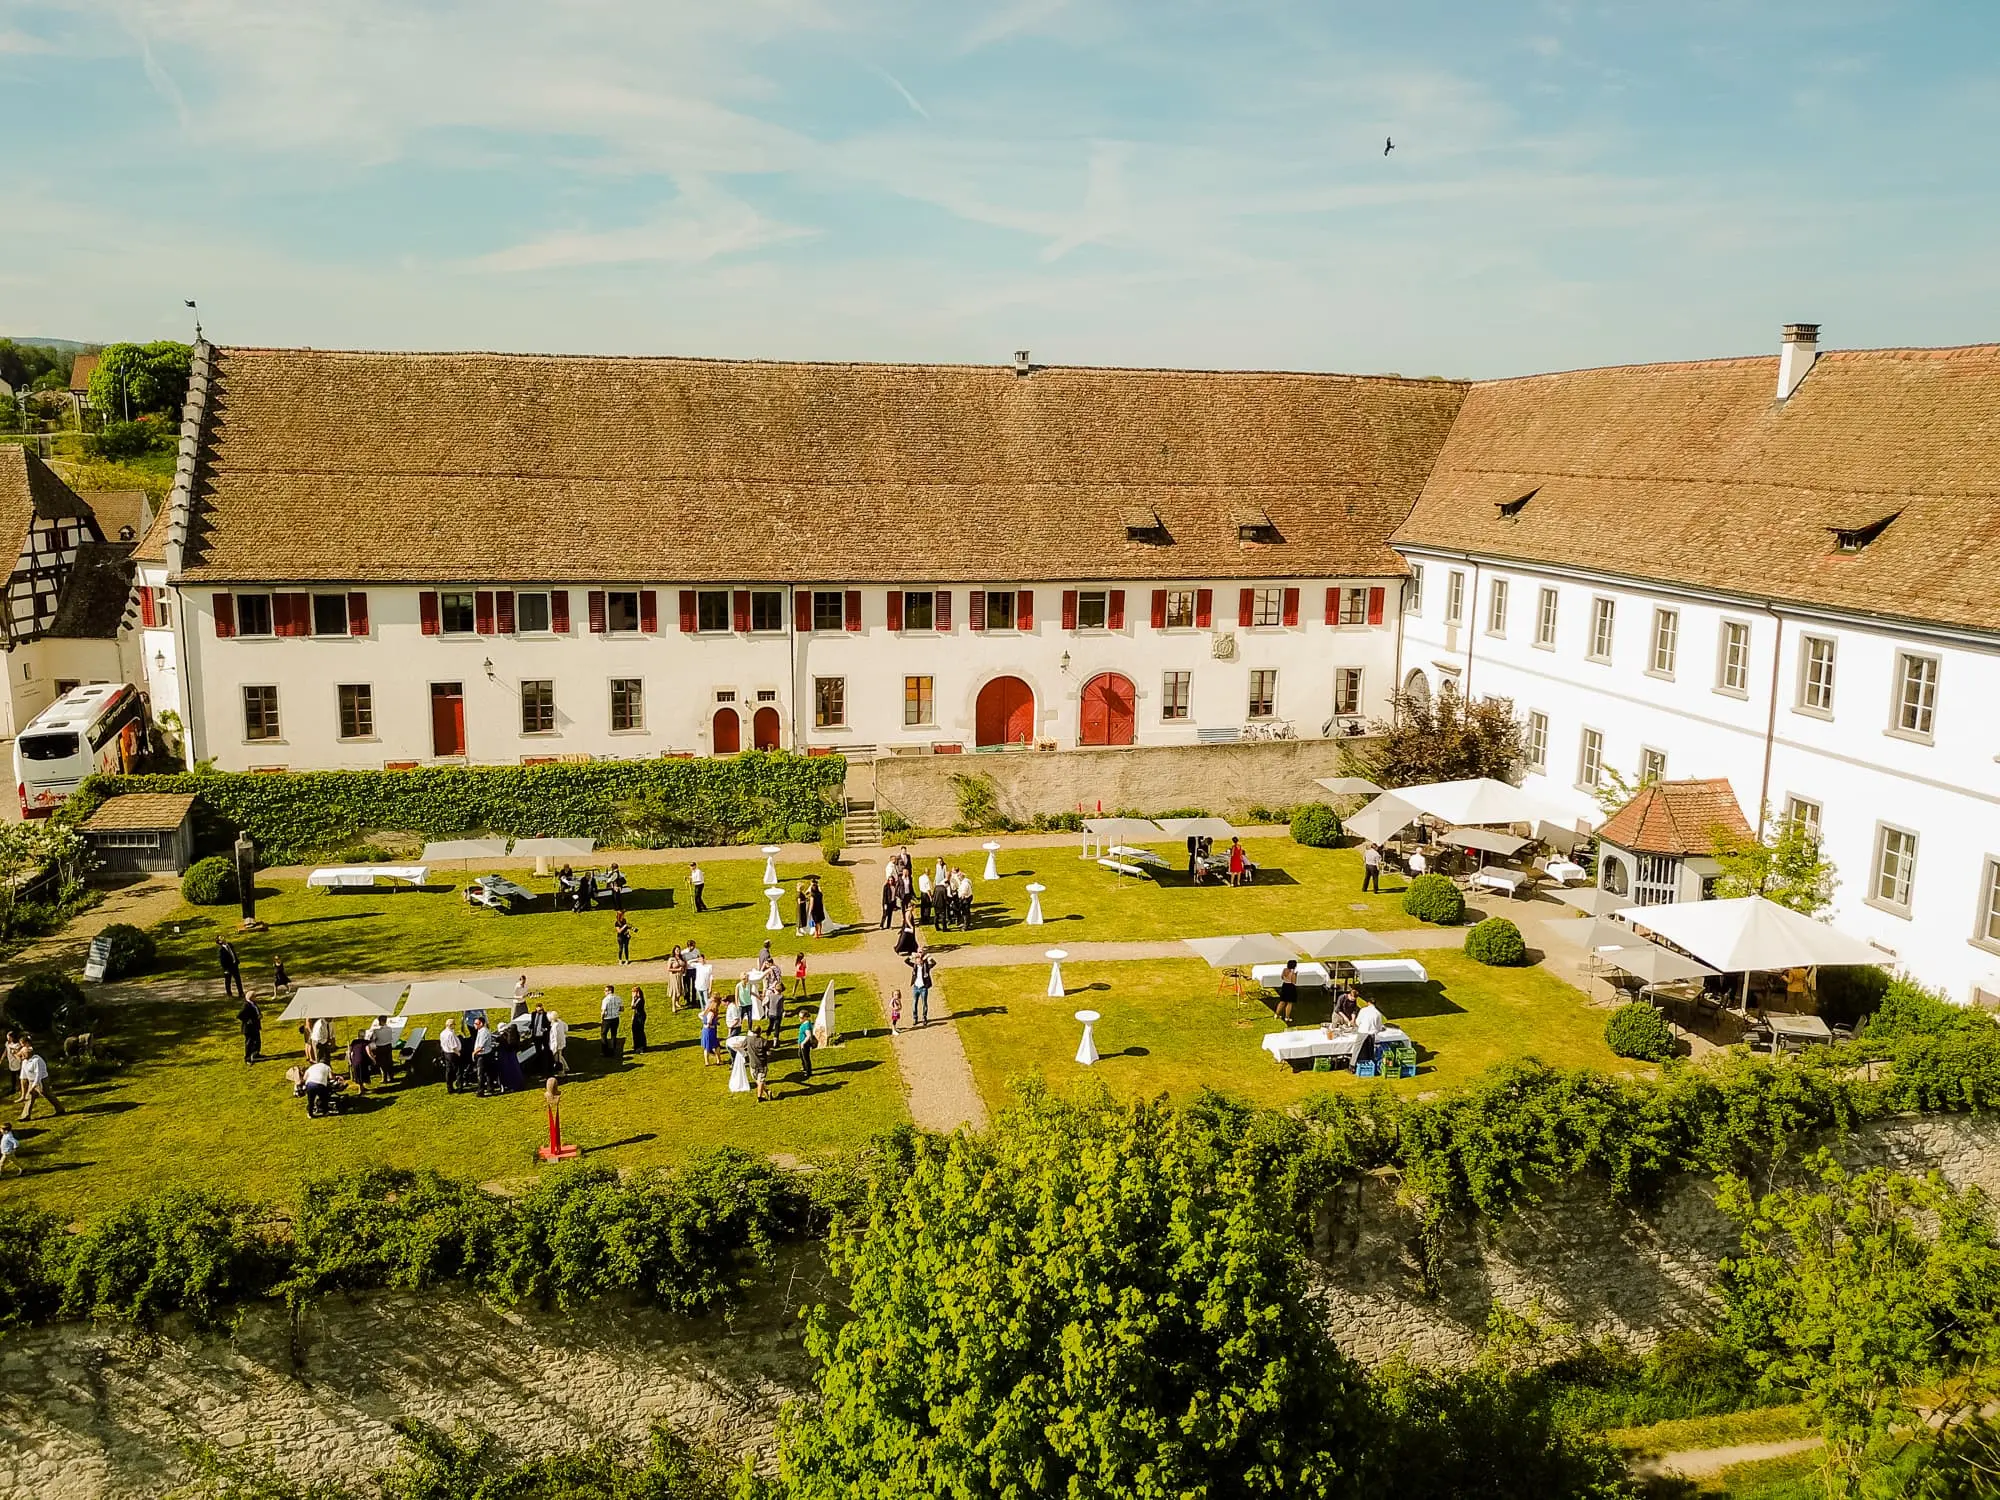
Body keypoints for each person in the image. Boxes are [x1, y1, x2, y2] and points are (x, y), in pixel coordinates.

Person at [16, 1046, 60, 1119]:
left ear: (29, 1053)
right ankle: (25, 1116)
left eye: (24, 1053)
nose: (22, 1055)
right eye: (22, 1054)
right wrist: (25, 1089)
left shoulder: (37, 1060)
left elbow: (38, 1075)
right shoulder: (24, 1061)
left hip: (41, 1080)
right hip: (31, 1080)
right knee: (29, 1097)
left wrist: (33, 1087)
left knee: (47, 1094)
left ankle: (60, 1109)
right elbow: (23, 1075)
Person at [471, 1017, 500, 1095]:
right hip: (487, 1054)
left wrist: (474, 1053)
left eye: (476, 1024)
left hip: (483, 1056)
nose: (474, 1025)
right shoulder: (481, 1031)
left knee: (480, 1074)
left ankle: (480, 1091)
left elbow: (480, 1046)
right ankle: (490, 1088)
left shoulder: (484, 1032)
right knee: (488, 1073)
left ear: (481, 1023)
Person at [907, 947, 935, 1026]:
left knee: (924, 1003)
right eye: (917, 961)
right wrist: (911, 956)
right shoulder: (915, 966)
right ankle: (915, 1017)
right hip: (916, 987)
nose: (918, 962)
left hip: (923, 988)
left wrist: (929, 957)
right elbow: (906, 961)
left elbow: (933, 963)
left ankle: (924, 1017)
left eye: (920, 961)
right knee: (914, 1003)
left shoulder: (926, 967)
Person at [1354, 995, 1385, 1067]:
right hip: (1372, 1033)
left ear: (1368, 1003)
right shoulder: (1378, 1013)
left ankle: (1352, 1066)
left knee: (1357, 1049)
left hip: (1362, 1031)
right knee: (1370, 1049)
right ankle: (1372, 1064)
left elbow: (1358, 1021)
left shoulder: (1363, 1010)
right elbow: (1379, 1026)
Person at [743, 1028, 770, 1101]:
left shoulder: (748, 1039)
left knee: (758, 1080)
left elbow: (743, 1046)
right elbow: (768, 1052)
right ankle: (764, 1093)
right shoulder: (763, 1041)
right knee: (760, 1081)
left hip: (753, 1064)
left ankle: (759, 1096)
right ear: (760, 1032)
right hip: (762, 1064)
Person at [369, 1015, 397, 1085]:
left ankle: (384, 1078)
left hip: (380, 1047)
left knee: (382, 1064)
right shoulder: (389, 1029)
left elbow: (372, 1039)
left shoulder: (377, 1031)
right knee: (389, 1062)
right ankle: (391, 1076)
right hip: (388, 1046)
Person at [439, 1017, 464, 1093]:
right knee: (458, 1071)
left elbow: (442, 1044)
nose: (454, 1026)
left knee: (448, 1071)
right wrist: (458, 1053)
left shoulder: (442, 1033)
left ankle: (449, 1088)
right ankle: (460, 1088)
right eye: (453, 1025)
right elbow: (453, 1046)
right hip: (453, 1054)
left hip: (446, 1053)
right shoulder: (450, 1034)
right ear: (450, 1025)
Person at [527, 1003, 552, 1072]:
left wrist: (545, 1029)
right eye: (538, 1010)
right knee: (538, 1050)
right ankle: (539, 1064)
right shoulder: (533, 1014)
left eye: (541, 1010)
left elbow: (549, 1026)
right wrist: (529, 1028)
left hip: (543, 1036)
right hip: (535, 1036)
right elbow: (532, 1023)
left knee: (546, 1050)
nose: (540, 1011)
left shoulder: (546, 1015)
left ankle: (547, 1065)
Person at [237, 997, 263, 1063]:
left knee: (257, 1041)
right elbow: (240, 1015)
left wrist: (259, 1015)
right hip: (249, 1028)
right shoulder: (246, 1005)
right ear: (252, 997)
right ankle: (248, 1058)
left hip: (255, 1026)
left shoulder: (254, 1004)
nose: (256, 998)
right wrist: (247, 1020)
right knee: (249, 1043)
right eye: (255, 996)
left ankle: (256, 1054)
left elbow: (256, 1011)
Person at [599, 985, 622, 1056]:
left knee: (603, 1034)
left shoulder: (605, 1000)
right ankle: (613, 1051)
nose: (604, 992)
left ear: (609, 991)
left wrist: (602, 1018)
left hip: (607, 1019)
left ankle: (605, 1051)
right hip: (615, 1018)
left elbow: (603, 1011)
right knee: (613, 1034)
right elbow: (622, 1009)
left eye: (605, 991)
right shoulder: (618, 998)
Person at [1275, 960, 1298, 1025]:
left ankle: (1276, 1014)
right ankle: (1287, 1017)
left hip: (1284, 985)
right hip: (1290, 987)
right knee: (1289, 1003)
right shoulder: (1293, 972)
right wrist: (1295, 975)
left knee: (1282, 1001)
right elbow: (1294, 982)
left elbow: (1282, 977)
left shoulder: (1284, 970)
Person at [666, 947, 688, 1013]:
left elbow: (684, 965)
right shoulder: (671, 959)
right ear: (674, 951)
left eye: (679, 950)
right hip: (674, 977)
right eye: (677, 950)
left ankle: (677, 1002)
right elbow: (668, 969)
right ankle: (673, 1006)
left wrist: (684, 969)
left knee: (679, 990)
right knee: (675, 992)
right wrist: (677, 970)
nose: (678, 951)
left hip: (680, 976)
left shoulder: (681, 958)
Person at [547, 1011, 570, 1076]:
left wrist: (555, 1048)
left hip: (557, 1045)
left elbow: (555, 1037)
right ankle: (566, 1067)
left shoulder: (554, 1026)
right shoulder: (560, 1022)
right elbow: (566, 1028)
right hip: (562, 1043)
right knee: (560, 1056)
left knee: (557, 1059)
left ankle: (561, 1072)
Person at [795, 1013, 816, 1083]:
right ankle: (804, 1067)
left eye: (801, 1017)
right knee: (800, 1055)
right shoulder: (805, 1023)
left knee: (806, 1057)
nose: (799, 1019)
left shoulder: (806, 1025)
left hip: (804, 1045)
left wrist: (803, 1043)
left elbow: (808, 1035)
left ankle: (808, 1072)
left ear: (805, 1017)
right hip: (801, 1043)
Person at [700, 998, 720, 1066]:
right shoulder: (711, 1013)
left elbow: (700, 1015)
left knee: (706, 1047)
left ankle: (707, 1062)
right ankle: (718, 1060)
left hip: (704, 1031)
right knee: (716, 1045)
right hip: (710, 1031)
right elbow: (709, 1023)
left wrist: (703, 1021)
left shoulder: (706, 1011)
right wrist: (710, 1024)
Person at [630, 985, 649, 1053]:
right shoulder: (637, 999)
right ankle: (636, 1045)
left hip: (640, 1016)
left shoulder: (640, 999)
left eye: (633, 992)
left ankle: (641, 1047)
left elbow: (633, 1006)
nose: (632, 994)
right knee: (634, 1030)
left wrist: (633, 998)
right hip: (636, 1016)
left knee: (640, 1031)